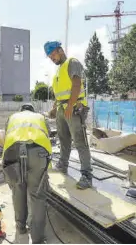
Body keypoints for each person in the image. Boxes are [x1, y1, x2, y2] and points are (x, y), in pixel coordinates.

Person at [44, 40, 93, 189]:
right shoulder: (59, 71)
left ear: (60, 50)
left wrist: (71, 105)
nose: (52, 58)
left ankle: (86, 176)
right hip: (62, 108)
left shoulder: (72, 62)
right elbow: (59, 94)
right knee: (63, 140)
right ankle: (63, 165)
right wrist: (54, 108)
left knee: (80, 141)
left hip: (74, 107)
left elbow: (77, 85)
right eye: (49, 56)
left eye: (53, 54)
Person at [2, 103, 52, 244]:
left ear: (21, 110)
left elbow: (6, 135)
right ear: (32, 110)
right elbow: (47, 134)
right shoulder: (40, 117)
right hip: (38, 153)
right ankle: (37, 239)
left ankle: (21, 228)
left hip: (13, 152)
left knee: (18, 191)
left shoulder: (12, 117)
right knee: (37, 195)